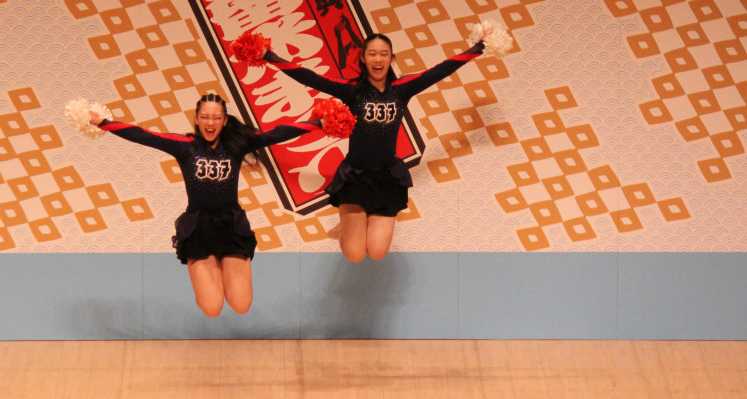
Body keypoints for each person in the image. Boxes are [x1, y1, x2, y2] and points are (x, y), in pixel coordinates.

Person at [89, 93, 323, 317]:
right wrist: (103, 123)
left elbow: (277, 134)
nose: (210, 123)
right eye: (205, 117)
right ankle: (210, 270)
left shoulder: (237, 145)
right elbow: (143, 135)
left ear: (224, 120)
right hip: (199, 229)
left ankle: (225, 268)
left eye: (216, 117)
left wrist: (318, 122)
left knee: (241, 305)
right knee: (212, 308)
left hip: (232, 227)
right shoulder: (184, 145)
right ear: (196, 119)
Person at [263, 33, 486, 262]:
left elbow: (440, 70)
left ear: (391, 59)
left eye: (383, 54)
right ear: (363, 58)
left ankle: (350, 228)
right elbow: (310, 78)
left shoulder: (401, 88)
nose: (378, 59)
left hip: (387, 178)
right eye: (372, 54)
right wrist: (269, 56)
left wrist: (479, 47)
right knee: (356, 255)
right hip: (355, 177)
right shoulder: (351, 90)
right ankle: (345, 230)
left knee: (377, 252)